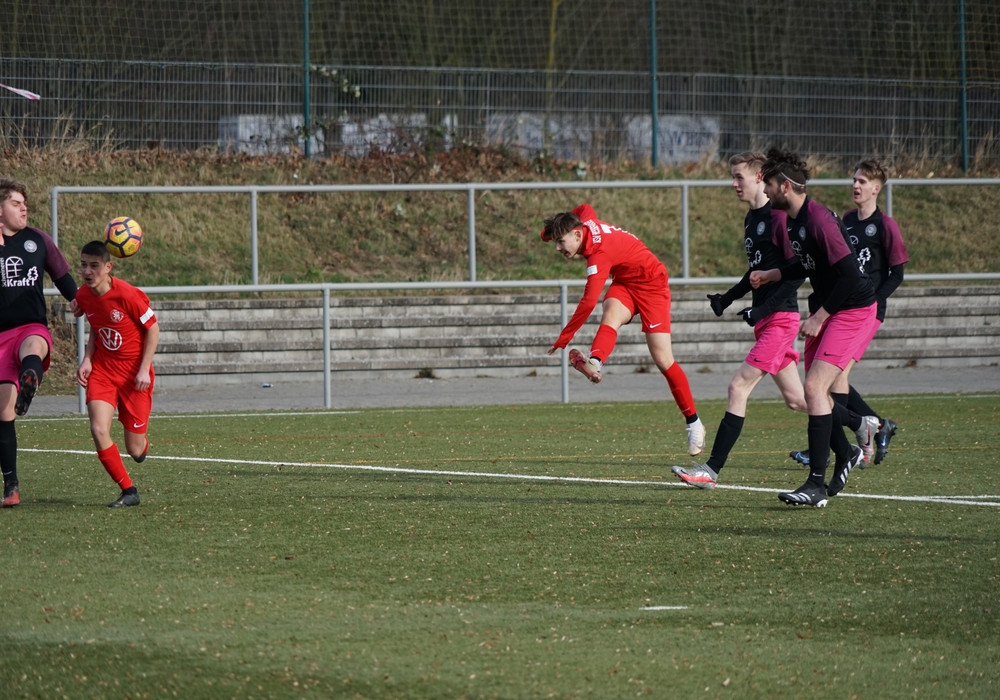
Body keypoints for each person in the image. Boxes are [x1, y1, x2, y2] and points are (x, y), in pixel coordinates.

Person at [750, 148, 879, 507]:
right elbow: (807, 263)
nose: (766, 191)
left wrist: (820, 316)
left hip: (852, 309)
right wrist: (773, 273)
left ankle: (816, 485)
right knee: (815, 394)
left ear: (785, 186)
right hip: (832, 306)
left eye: (769, 184)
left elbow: (850, 275)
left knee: (813, 388)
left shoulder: (818, 220)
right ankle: (853, 440)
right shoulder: (794, 220)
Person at [671, 152, 807, 489]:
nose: (733, 184)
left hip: (780, 318)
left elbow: (795, 273)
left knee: (738, 387)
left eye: (738, 177)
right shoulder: (752, 219)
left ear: (760, 177)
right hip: (768, 319)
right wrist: (728, 298)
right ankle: (858, 429)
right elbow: (755, 272)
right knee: (799, 400)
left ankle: (710, 471)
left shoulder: (778, 217)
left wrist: (763, 309)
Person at [540, 203, 705, 456]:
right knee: (611, 315)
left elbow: (588, 302)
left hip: (652, 285)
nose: (558, 248)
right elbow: (585, 207)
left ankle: (694, 423)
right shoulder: (585, 221)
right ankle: (595, 362)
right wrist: (551, 229)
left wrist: (565, 337)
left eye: (560, 242)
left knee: (663, 360)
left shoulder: (599, 256)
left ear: (577, 234)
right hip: (626, 283)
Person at [788, 159, 907, 468]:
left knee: (833, 377)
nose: (855, 185)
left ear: (876, 188)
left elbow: (896, 273)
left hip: (864, 309)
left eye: (862, 181)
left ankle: (841, 442)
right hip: (842, 304)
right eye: (854, 180)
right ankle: (873, 428)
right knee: (832, 378)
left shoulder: (885, 225)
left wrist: (874, 301)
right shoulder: (846, 220)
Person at [0, 178, 78, 508]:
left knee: (34, 346)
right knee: (3, 414)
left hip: (30, 326)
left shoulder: (38, 240)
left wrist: (81, 301)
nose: (24, 209)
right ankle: (11, 487)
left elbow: (63, 277)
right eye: (16, 203)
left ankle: (29, 379)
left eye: (25, 204)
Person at [75, 240, 159, 508]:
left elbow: (153, 329)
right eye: (83, 265)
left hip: (135, 376)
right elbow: (96, 324)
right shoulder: (83, 295)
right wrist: (88, 359)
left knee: (135, 449)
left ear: (108, 267)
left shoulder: (128, 295)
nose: (87, 271)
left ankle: (141, 446)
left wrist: (144, 369)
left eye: (94, 266)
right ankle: (128, 490)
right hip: (104, 371)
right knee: (98, 428)